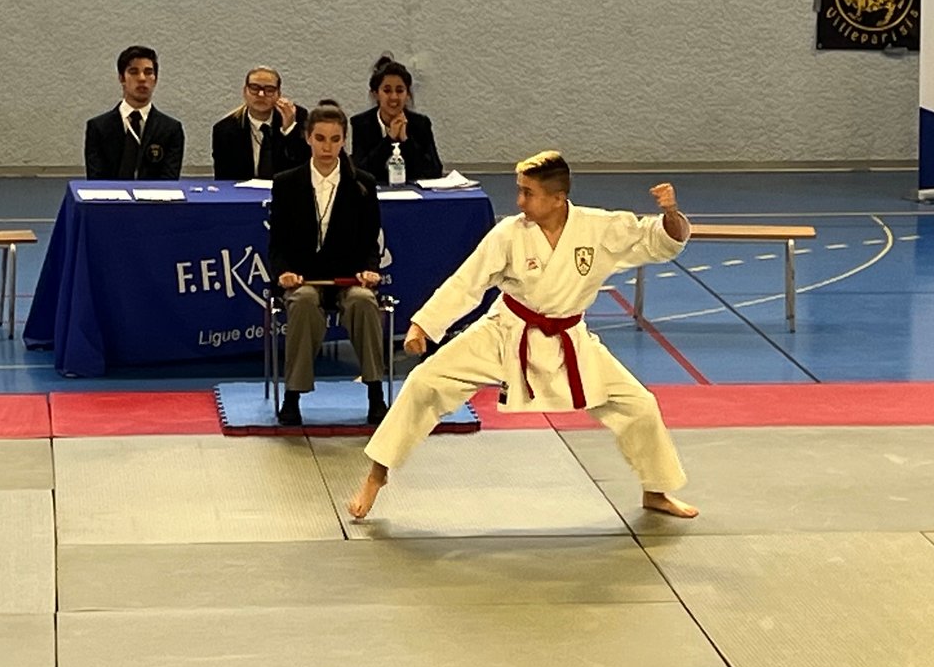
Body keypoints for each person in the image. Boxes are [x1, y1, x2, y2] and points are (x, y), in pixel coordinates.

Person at [347, 150, 698, 522]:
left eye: (528, 193)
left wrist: (671, 214)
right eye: (520, 190)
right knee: (423, 383)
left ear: (558, 198)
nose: (519, 201)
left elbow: (657, 240)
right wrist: (423, 325)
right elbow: (467, 282)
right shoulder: (509, 234)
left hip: (569, 339)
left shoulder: (597, 228)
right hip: (507, 332)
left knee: (639, 405)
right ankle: (376, 476)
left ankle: (656, 490)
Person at [269, 102, 389, 428]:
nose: (327, 147)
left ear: (343, 141)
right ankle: (293, 395)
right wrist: (283, 273)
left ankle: (375, 392)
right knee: (304, 301)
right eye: (320, 138)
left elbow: (371, 241)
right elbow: (277, 243)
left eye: (335, 140)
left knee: (363, 301)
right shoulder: (287, 182)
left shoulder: (362, 183)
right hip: (304, 279)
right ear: (308, 138)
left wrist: (369, 270)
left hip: (347, 278)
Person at [84, 45, 184, 179]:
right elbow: (96, 181)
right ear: (122, 78)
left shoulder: (170, 129)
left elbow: (169, 181)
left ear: (155, 79)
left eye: (148, 72)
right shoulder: (99, 128)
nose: (142, 78)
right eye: (134, 72)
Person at [352, 55, 442, 182]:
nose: (394, 97)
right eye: (387, 91)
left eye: (400, 91)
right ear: (376, 94)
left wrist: (406, 140)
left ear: (408, 94)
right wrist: (389, 140)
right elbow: (360, 172)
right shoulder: (361, 124)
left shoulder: (421, 124)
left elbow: (434, 171)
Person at [212, 66, 309, 181]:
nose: (261, 94)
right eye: (254, 88)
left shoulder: (298, 117)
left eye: (269, 90)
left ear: (279, 94)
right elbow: (224, 179)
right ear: (245, 91)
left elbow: (302, 166)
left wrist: (289, 129)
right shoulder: (225, 129)